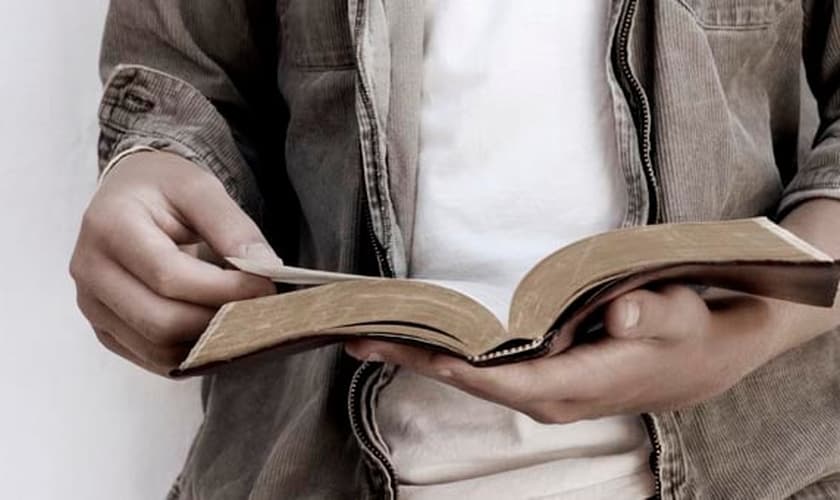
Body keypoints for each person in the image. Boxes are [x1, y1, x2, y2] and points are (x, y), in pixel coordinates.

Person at [70, 1, 840, 498]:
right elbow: (187, 70)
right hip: (304, 471)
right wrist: (151, 168)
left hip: (769, 470)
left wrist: (758, 326)